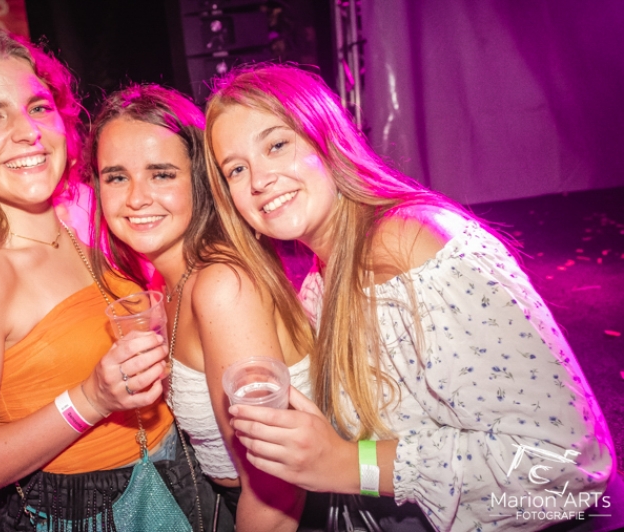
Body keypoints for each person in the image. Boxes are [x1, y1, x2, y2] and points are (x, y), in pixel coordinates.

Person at [203, 64, 616, 532]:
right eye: (236, 169)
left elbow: (561, 463)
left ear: (326, 139)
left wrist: (350, 464)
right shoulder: (320, 280)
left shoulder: (413, 247)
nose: (258, 180)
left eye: (277, 145)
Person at [0, 29, 207, 531]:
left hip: (174, 478)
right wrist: (91, 399)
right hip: (84, 511)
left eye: (38, 107)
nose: (28, 132)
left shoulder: (88, 221)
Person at [87, 83, 314, 531]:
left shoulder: (221, 286)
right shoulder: (166, 281)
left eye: (161, 174)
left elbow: (276, 489)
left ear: (201, 180)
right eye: (116, 177)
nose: (136, 198)